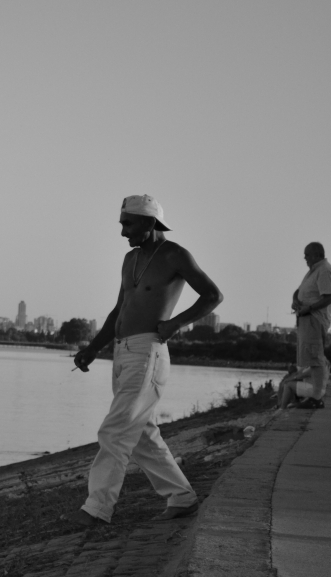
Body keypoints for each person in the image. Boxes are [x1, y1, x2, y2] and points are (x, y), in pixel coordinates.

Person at [70, 195, 223, 525]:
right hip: (122, 352)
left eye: (128, 224)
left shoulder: (174, 254)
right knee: (140, 435)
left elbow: (213, 295)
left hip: (148, 353)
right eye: (122, 224)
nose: (123, 232)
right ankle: (181, 496)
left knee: (115, 432)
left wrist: (175, 324)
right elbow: (119, 310)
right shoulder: (130, 259)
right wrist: (94, 347)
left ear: (150, 222)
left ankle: (97, 508)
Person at [290, 242, 331, 409]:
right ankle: (314, 395)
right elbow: (298, 291)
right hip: (306, 319)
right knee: (311, 358)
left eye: (307, 255)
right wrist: (295, 301)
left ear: (316, 255)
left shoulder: (324, 271)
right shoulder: (313, 271)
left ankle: (317, 397)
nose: (305, 258)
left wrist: (309, 308)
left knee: (316, 357)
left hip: (314, 319)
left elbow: (328, 296)